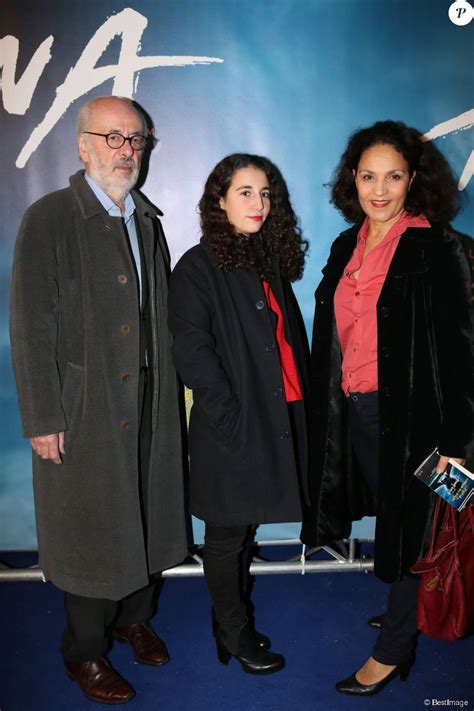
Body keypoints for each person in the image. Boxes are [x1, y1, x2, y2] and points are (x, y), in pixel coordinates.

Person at [9, 96, 187, 704]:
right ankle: (83, 653)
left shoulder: (149, 221)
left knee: (150, 515)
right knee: (89, 531)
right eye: (111, 138)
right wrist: (43, 417)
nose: (125, 150)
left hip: (151, 402)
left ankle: (134, 617)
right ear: (82, 144)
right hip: (82, 409)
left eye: (135, 139)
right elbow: (30, 327)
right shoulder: (50, 217)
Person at [300, 121, 473, 696]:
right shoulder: (346, 243)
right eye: (368, 176)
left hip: (420, 425)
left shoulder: (435, 247)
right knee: (405, 523)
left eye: (393, 176)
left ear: (413, 180)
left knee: (422, 530)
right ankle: (414, 603)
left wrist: (457, 447)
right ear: (353, 179)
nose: (379, 189)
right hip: (361, 413)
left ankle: (394, 648)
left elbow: (460, 353)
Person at [168, 154, 310, 675]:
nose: (258, 203)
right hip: (232, 424)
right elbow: (192, 355)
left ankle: (232, 618)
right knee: (227, 534)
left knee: (242, 528)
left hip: (276, 414)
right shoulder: (197, 267)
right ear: (220, 200)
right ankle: (232, 629)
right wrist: (231, 418)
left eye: (266, 193)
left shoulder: (264, 260)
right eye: (246, 192)